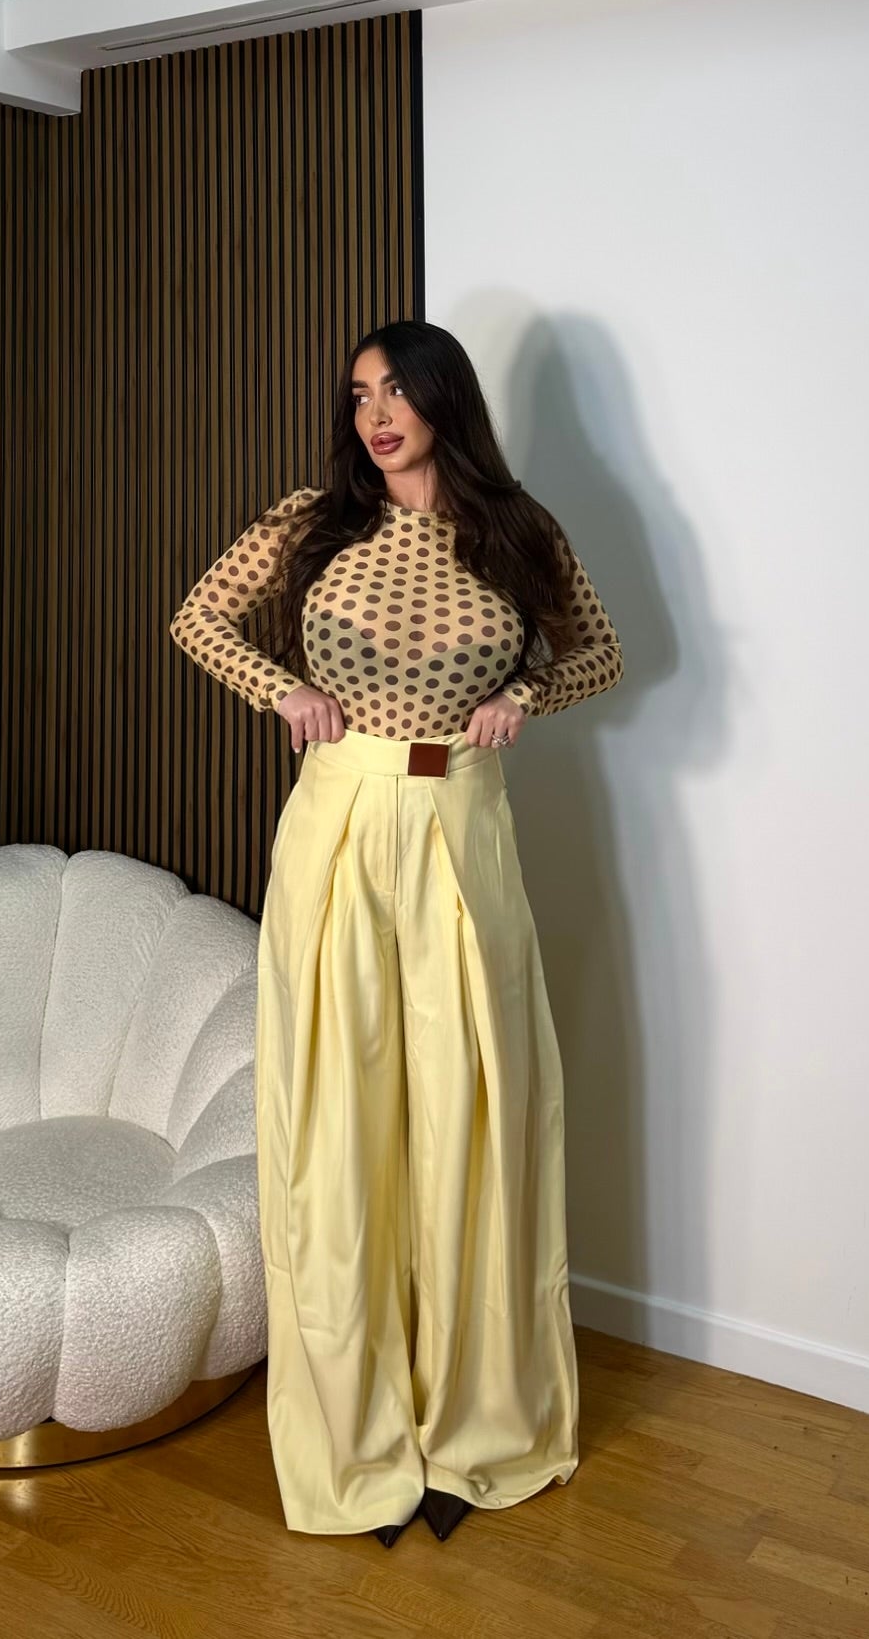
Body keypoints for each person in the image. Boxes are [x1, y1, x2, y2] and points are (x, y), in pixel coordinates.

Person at [169, 319, 623, 1546]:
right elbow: (199, 619)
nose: (374, 415)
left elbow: (599, 652)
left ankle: (477, 1426)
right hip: (337, 824)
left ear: (442, 400)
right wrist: (282, 688)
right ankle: (354, 1438)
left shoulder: (516, 529)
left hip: (462, 828)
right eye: (359, 394)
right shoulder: (311, 521)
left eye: (395, 392)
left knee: (476, 1116)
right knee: (338, 1122)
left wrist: (525, 690)